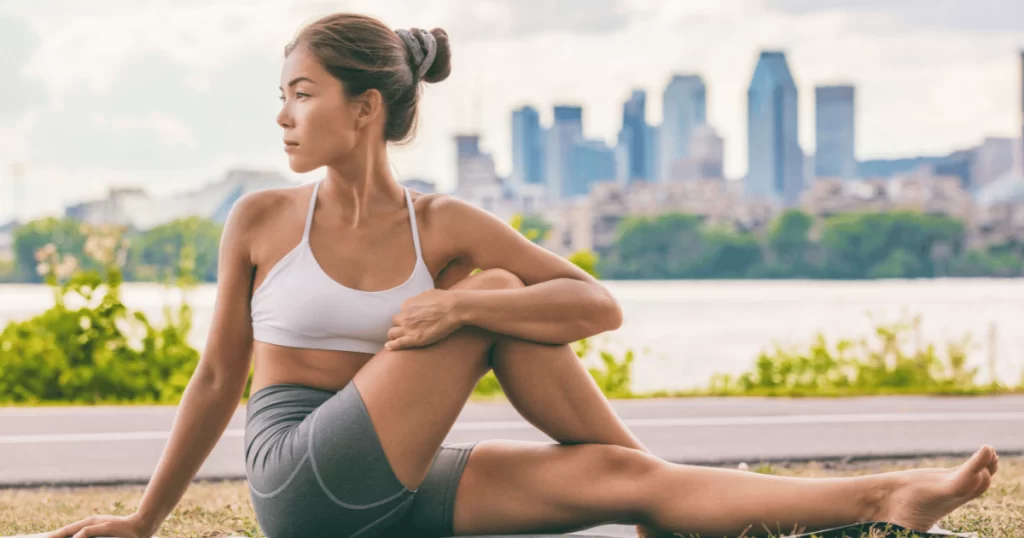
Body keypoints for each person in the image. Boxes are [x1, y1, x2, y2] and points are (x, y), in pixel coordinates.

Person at [49, 12, 1000, 538]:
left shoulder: (445, 224)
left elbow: (598, 305)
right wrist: (142, 520)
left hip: (399, 490)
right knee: (505, 297)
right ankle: (679, 491)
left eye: (303, 95)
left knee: (621, 477)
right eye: (283, 98)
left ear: (367, 107)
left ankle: (882, 498)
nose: (285, 117)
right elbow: (218, 378)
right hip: (302, 482)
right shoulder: (259, 219)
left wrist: (457, 297)